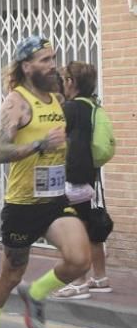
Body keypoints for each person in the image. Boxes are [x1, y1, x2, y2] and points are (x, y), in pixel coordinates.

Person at [0, 36, 90, 328]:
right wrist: (41, 143)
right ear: (27, 67)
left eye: (53, 58)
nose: (52, 64)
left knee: (79, 259)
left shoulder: (56, 98)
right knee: (10, 276)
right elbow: (0, 151)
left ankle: (37, 293)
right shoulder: (17, 101)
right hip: (23, 205)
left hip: (54, 199)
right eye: (44, 60)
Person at [51, 61, 113, 299]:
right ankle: (100, 278)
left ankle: (78, 282)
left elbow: (64, 144)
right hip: (89, 179)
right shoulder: (93, 106)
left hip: (72, 180)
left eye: (65, 79)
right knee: (90, 228)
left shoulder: (70, 109)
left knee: (72, 232)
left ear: (71, 83)